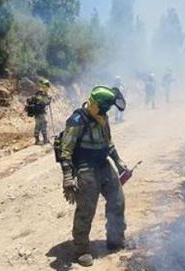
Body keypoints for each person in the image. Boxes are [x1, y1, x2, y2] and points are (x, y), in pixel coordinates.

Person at [58, 86, 129, 267]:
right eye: (105, 107)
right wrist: (67, 176)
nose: (107, 111)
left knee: (117, 200)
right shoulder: (77, 120)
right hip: (85, 168)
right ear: (96, 104)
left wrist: (118, 161)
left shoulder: (102, 117)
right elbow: (66, 151)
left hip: (103, 164)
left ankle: (115, 239)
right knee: (86, 209)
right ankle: (81, 249)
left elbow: (109, 143)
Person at [26, 79, 52, 145]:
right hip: (41, 112)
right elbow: (45, 102)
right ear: (46, 86)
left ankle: (37, 140)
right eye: (47, 86)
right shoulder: (42, 94)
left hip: (37, 113)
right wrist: (49, 99)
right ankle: (45, 140)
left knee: (37, 126)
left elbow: (33, 99)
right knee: (44, 125)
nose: (47, 88)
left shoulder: (38, 93)